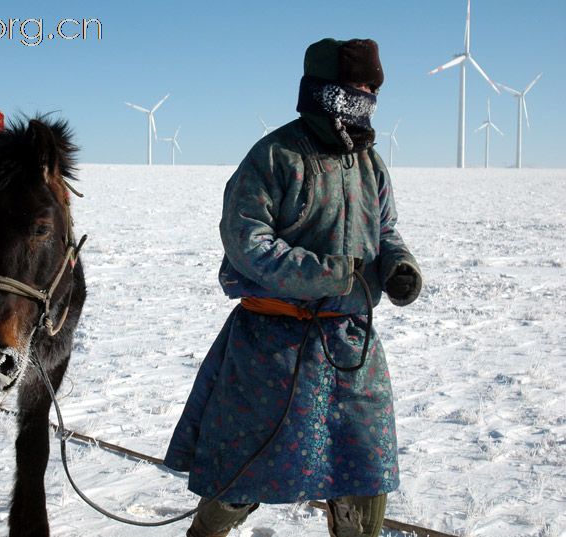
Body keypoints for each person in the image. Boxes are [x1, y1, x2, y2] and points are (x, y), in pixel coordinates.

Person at [164, 38, 423, 537]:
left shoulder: (370, 163)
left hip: (351, 344)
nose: (368, 95)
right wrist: (328, 273)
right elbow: (246, 240)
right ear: (327, 90)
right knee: (242, 470)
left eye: (373, 87)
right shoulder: (275, 157)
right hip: (271, 350)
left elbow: (384, 229)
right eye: (358, 86)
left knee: (366, 469)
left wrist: (398, 266)